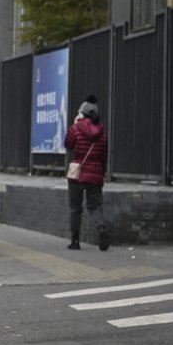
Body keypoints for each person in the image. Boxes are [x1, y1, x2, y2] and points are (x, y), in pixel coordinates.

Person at [64, 95, 109, 251]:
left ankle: (75, 241)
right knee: (96, 207)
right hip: (95, 174)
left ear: (82, 114)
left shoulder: (76, 129)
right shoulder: (103, 134)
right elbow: (104, 157)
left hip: (78, 175)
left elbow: (67, 144)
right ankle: (101, 228)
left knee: (75, 208)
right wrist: (101, 173)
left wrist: (74, 124)